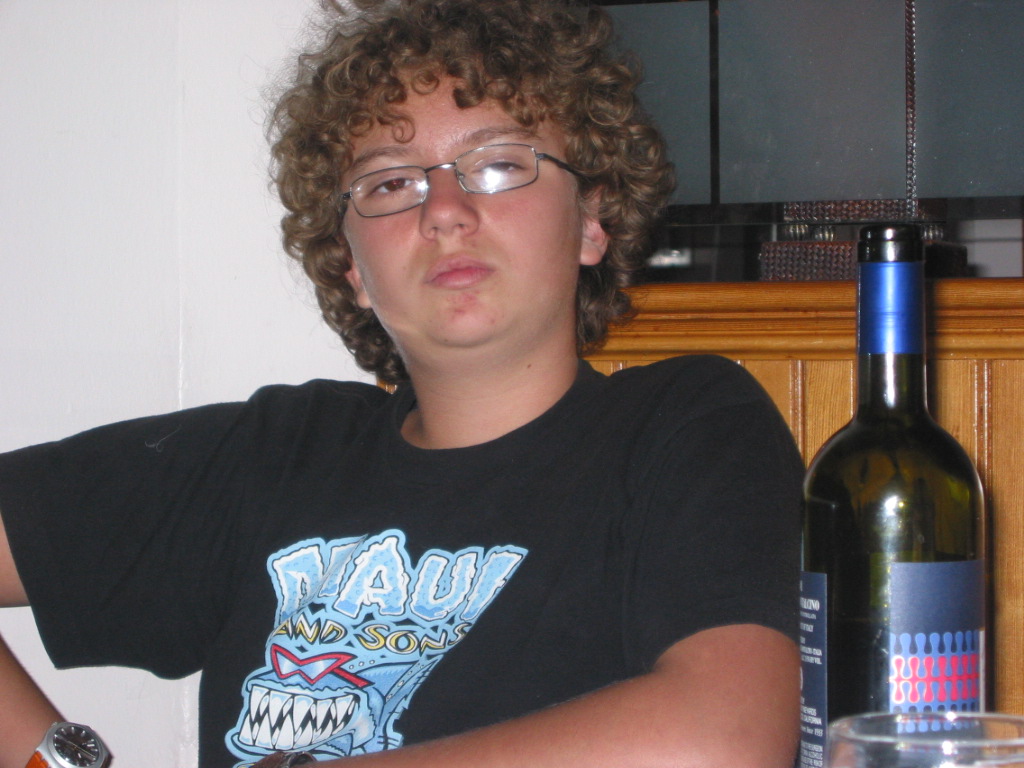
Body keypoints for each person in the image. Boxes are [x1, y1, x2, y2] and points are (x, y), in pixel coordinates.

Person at [0, 0, 803, 766]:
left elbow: (724, 739)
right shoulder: (271, 456)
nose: (444, 209)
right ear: (351, 264)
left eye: (499, 165)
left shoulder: (687, 428)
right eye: (390, 183)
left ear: (592, 219)